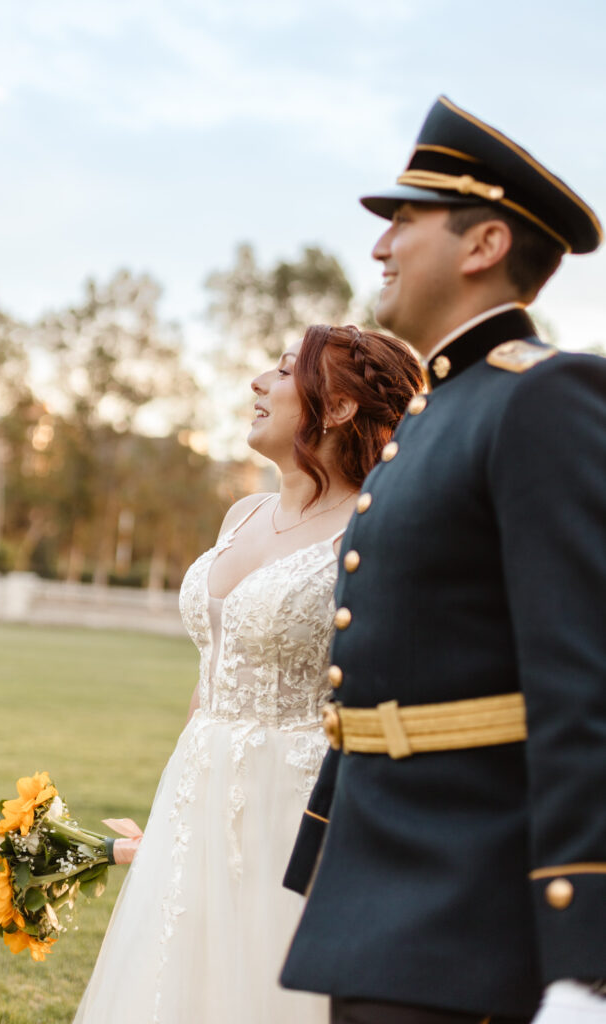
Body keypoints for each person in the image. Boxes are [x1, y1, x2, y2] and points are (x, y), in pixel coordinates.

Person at [281, 96, 606, 1024]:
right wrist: (318, 851)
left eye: (404, 221)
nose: (379, 247)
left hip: (475, 913)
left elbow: (582, 680)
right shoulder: (433, 416)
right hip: (384, 903)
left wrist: (584, 964)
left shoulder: (542, 398)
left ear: (484, 244)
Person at [73, 324, 422, 1024]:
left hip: (295, 800)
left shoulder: (375, 529)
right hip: (197, 782)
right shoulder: (243, 513)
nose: (258, 382)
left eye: (285, 370)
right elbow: (214, 672)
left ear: (340, 407)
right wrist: (177, 797)